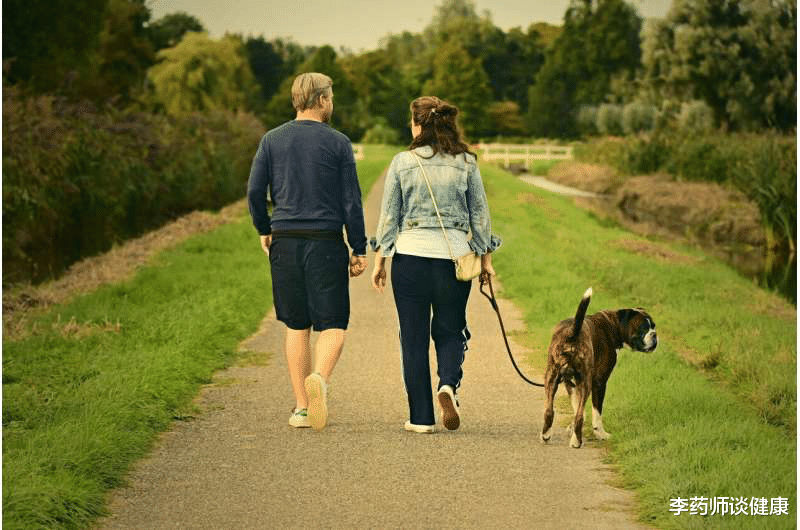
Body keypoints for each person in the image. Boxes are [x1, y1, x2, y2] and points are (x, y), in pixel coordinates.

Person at [370, 96, 501, 434]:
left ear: (417, 124)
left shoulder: (402, 162)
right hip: (454, 260)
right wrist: (485, 260)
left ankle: (421, 418)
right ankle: (448, 384)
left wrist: (380, 260)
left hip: (410, 259)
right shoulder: (467, 163)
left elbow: (389, 216)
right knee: (451, 328)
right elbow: (480, 217)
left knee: (413, 339)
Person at [247, 72, 368, 432]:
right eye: (330, 97)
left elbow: (255, 192)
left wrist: (264, 229)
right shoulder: (338, 143)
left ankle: (302, 407)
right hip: (325, 242)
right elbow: (351, 200)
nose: (332, 103)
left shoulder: (271, 140)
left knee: (296, 325)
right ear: (320, 100)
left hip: (284, 239)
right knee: (332, 325)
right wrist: (358, 247)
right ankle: (320, 377)